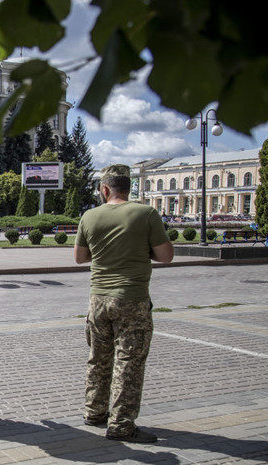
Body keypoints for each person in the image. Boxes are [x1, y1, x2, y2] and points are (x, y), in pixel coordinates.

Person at [74, 164, 174, 444]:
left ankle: (94, 412)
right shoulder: (146, 214)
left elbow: (80, 257)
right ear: (128, 188)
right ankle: (121, 424)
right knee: (129, 362)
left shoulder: (90, 216)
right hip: (132, 299)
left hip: (98, 300)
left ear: (105, 189)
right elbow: (166, 256)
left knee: (98, 358)